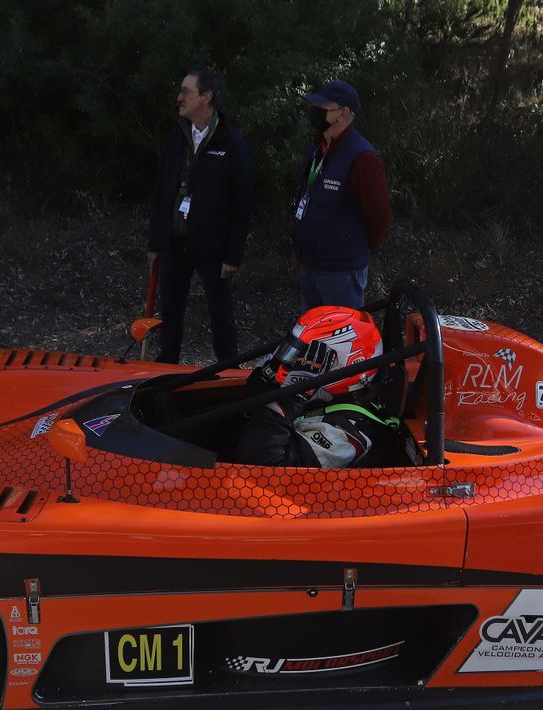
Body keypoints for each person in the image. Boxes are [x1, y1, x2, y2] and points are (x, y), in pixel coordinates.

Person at [146, 68, 254, 364]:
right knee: (170, 312)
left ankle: (228, 370)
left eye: (186, 92)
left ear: (206, 97)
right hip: (174, 243)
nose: (179, 98)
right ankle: (165, 370)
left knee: (220, 313)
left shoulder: (231, 144)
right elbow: (161, 191)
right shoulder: (176, 137)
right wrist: (155, 243)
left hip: (213, 248)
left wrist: (233, 254)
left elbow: (241, 203)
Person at [236, 306, 416, 468]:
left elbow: (260, 470)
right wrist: (265, 377)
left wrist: (290, 399)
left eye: (306, 359)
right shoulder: (321, 397)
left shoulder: (346, 436)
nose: (292, 363)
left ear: (342, 367)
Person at [292, 80, 392, 310]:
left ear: (343, 113)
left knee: (341, 341)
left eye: (322, 108)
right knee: (312, 340)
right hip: (309, 264)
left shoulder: (363, 157)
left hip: (341, 272)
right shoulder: (317, 147)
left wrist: (348, 248)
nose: (314, 112)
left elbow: (380, 221)